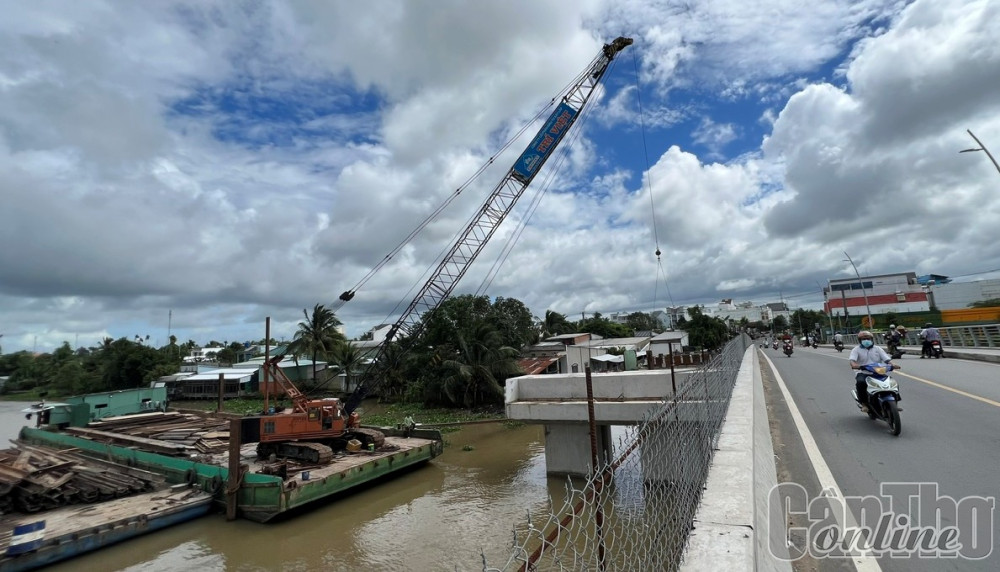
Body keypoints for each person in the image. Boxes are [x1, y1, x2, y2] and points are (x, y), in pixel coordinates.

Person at [849, 330, 898, 413]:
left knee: (892, 383)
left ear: (872, 339)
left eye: (868, 339)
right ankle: (864, 403)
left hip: (878, 371)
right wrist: (855, 365)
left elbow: (887, 360)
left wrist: (893, 365)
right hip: (863, 372)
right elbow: (852, 360)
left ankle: (895, 404)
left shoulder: (877, 349)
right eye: (863, 339)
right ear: (860, 340)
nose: (866, 340)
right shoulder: (856, 350)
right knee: (861, 383)